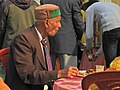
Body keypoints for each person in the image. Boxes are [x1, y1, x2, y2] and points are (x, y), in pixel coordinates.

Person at [5, 4, 79, 90]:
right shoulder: (23, 40)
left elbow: (45, 71)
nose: (60, 25)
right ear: (47, 23)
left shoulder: (44, 38)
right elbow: (28, 75)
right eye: (57, 21)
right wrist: (59, 73)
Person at [40, 0, 84, 69]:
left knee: (48, 74)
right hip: (68, 42)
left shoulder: (45, 0)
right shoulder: (72, 1)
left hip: (49, 41)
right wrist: (79, 38)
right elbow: (78, 24)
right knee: (70, 75)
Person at [83, 1, 120, 68]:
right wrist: (96, 55)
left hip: (111, 30)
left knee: (111, 63)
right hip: (115, 29)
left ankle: (111, 78)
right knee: (118, 61)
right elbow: (105, 44)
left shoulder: (90, 9)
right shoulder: (107, 9)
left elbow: (89, 36)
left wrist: (88, 48)